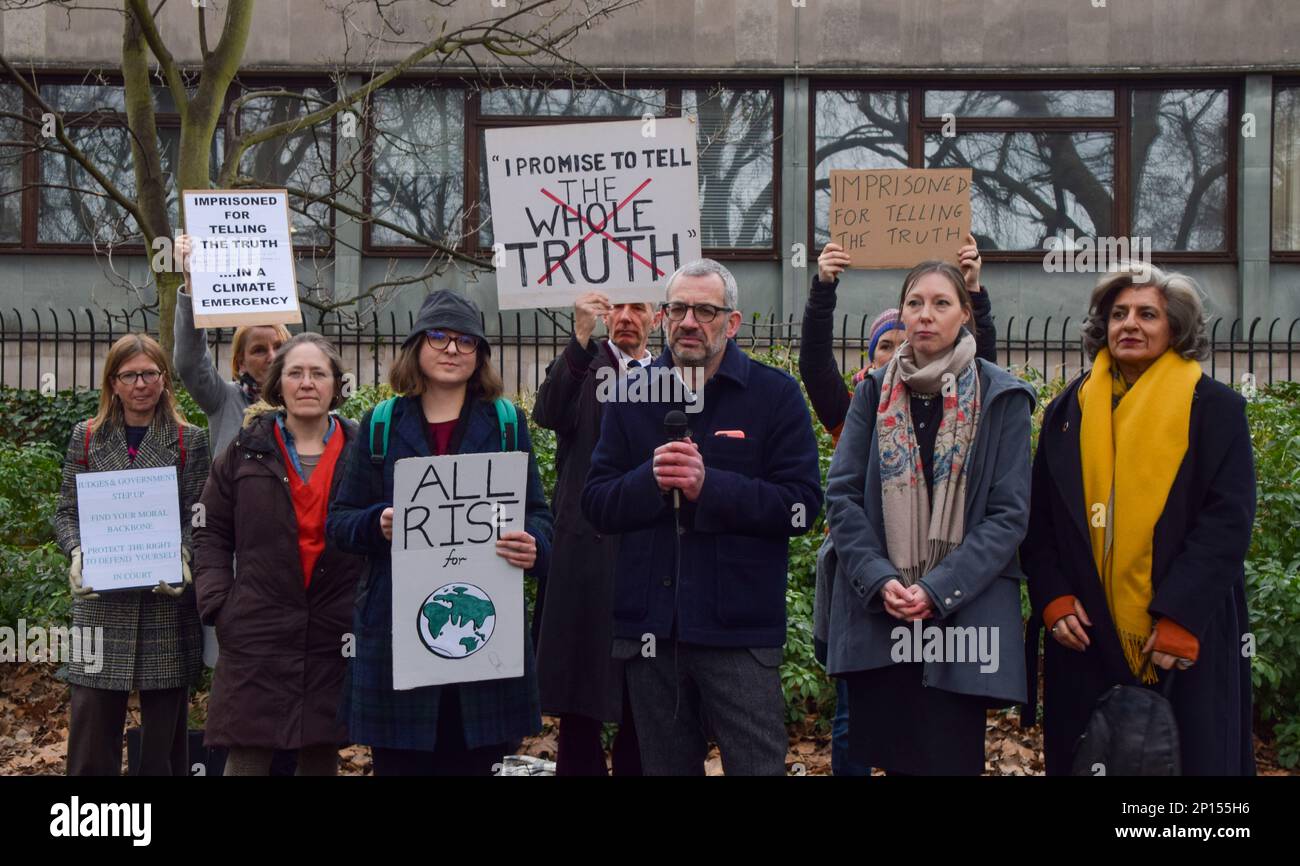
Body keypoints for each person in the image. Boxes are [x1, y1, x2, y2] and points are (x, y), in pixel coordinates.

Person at [582, 259, 823, 776]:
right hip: (652, 631)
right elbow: (596, 503)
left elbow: (802, 505)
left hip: (738, 631)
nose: (690, 321)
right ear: (664, 317)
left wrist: (709, 487)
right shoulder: (628, 395)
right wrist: (649, 479)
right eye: (678, 308)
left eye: (706, 310)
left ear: (731, 323)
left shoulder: (774, 395)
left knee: (758, 767)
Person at [1021, 264, 1256, 775]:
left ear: (1175, 327)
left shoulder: (1215, 409)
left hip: (1178, 637)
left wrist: (1182, 616)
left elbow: (1228, 523)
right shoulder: (1067, 411)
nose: (1130, 324)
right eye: (1118, 314)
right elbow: (1039, 525)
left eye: (1147, 314)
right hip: (1084, 637)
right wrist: (1053, 599)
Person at [327, 290, 554, 776]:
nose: (452, 349)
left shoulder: (507, 423)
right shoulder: (381, 425)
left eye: (465, 341)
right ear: (417, 347)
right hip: (398, 637)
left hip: (482, 632)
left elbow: (540, 517)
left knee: (476, 765)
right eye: (438, 336)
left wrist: (533, 545)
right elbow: (341, 522)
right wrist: (377, 522)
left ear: (480, 355)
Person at [823, 260, 1033, 776]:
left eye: (941, 304)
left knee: (948, 761)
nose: (925, 315)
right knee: (890, 760)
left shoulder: (1000, 395)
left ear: (965, 313)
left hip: (961, 618)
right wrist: (879, 579)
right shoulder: (874, 390)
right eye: (915, 303)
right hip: (884, 614)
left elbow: (1008, 515)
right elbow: (843, 495)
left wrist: (938, 589)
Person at [193, 333, 364, 775]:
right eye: (295, 373)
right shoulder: (244, 451)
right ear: (278, 384)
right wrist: (218, 604)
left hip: (334, 628)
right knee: (247, 754)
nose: (307, 383)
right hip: (256, 627)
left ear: (336, 385)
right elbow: (209, 531)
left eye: (318, 374)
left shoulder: (365, 453)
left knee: (320, 753)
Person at [53, 333, 211, 775]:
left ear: (164, 380)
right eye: (130, 375)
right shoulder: (86, 437)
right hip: (100, 608)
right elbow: (67, 511)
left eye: (150, 373)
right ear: (113, 382)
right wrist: (77, 551)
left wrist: (182, 555)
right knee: (89, 741)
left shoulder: (188, 440)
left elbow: (197, 514)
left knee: (163, 748)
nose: (141, 384)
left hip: (165, 606)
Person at [531, 292, 651, 776]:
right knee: (580, 696)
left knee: (641, 696)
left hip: (644, 549)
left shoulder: (671, 376)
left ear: (656, 316)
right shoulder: (584, 365)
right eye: (617, 308)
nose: (626, 317)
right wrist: (578, 339)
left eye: (638, 307)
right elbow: (548, 412)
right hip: (585, 548)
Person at [173, 233, 291, 454]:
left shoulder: (306, 400)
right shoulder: (224, 399)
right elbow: (190, 362)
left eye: (279, 346)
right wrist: (192, 283)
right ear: (241, 363)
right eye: (259, 350)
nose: (272, 356)